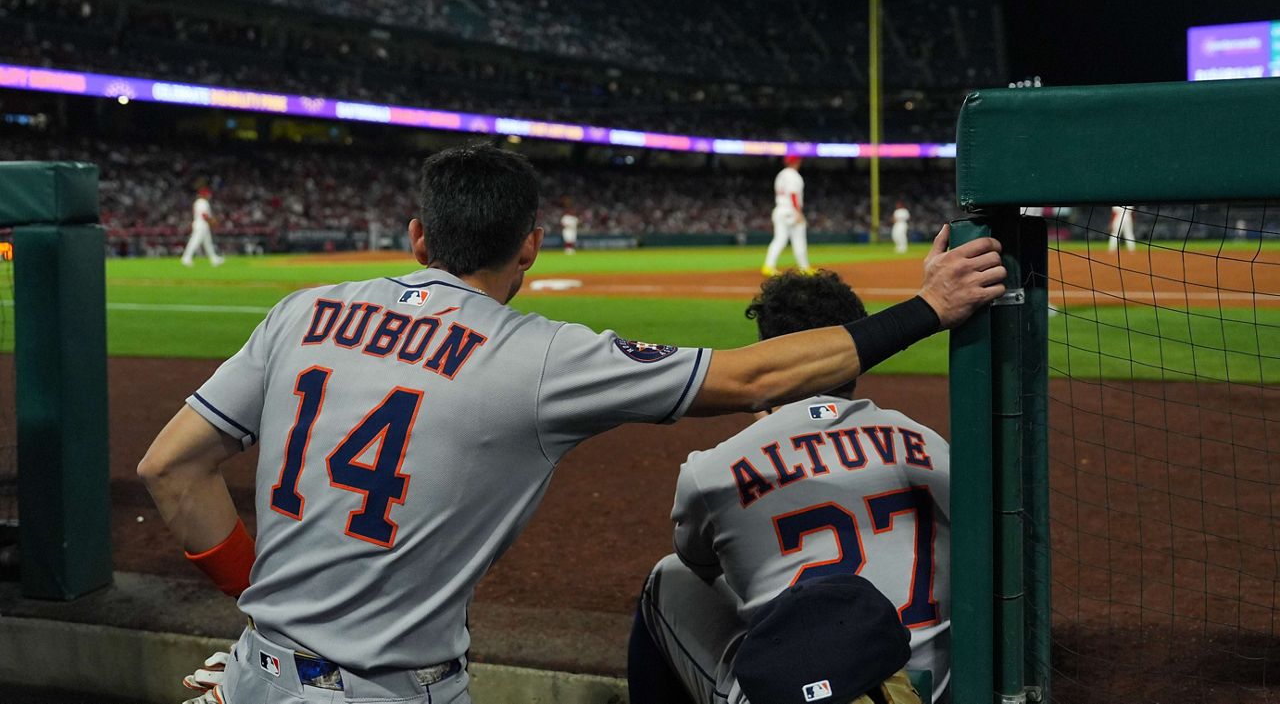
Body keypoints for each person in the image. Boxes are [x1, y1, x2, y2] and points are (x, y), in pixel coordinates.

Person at [140, 144, 1002, 704]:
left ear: (414, 235)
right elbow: (753, 376)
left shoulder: (302, 312)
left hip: (254, 671)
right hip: (389, 690)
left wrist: (276, 616)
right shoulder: (540, 353)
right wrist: (928, 306)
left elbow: (171, 471)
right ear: (531, 247)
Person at [629, 270, 952, 704]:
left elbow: (699, 566)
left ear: (770, 350)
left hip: (803, 696)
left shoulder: (712, 469)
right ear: (861, 348)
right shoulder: (926, 442)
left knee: (666, 578)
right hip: (924, 690)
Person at [761, 155, 810, 276]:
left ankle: (768, 266)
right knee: (799, 239)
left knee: (779, 239)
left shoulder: (781, 175)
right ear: (797, 161)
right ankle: (804, 267)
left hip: (779, 209)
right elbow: (793, 194)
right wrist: (798, 212)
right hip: (790, 210)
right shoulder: (793, 175)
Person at [182, 186, 225, 267]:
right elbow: (204, 215)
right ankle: (186, 258)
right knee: (195, 241)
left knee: (208, 242)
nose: (208, 195)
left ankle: (214, 259)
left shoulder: (198, 202)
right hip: (201, 224)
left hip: (201, 224)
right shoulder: (202, 202)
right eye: (207, 194)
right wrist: (212, 221)